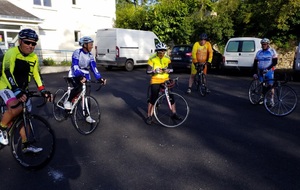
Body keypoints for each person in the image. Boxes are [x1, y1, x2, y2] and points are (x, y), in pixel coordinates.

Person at [0, 28, 52, 152]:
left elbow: (37, 75)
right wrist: (16, 90)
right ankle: (1, 129)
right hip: (6, 86)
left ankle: (26, 145)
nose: (30, 46)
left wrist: (43, 90)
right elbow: (7, 72)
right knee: (16, 108)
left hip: (23, 89)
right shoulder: (11, 53)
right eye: (27, 42)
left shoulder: (33, 57)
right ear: (20, 41)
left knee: (25, 116)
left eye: (33, 43)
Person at [64, 36, 106, 123]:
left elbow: (94, 68)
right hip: (74, 73)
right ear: (85, 45)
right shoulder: (77, 52)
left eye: (92, 44)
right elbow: (75, 66)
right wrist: (79, 76)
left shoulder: (91, 55)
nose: (92, 46)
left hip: (86, 75)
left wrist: (100, 78)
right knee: (78, 87)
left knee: (87, 96)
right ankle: (68, 101)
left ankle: (87, 116)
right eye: (90, 44)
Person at [146, 42, 181, 125]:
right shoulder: (152, 58)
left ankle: (174, 113)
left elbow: (172, 69)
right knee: (153, 97)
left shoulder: (167, 58)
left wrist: (168, 70)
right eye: (160, 52)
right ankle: (149, 116)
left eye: (163, 51)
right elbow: (147, 71)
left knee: (171, 96)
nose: (162, 53)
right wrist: (154, 71)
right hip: (155, 80)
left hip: (165, 79)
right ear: (157, 51)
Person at [253, 38, 278, 104]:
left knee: (271, 85)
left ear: (268, 44)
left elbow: (275, 62)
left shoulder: (272, 51)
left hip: (269, 71)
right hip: (261, 72)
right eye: (262, 44)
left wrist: (267, 69)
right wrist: (254, 73)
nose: (263, 45)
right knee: (262, 85)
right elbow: (255, 63)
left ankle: (271, 100)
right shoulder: (259, 52)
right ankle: (262, 98)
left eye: (265, 44)